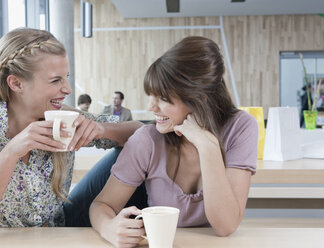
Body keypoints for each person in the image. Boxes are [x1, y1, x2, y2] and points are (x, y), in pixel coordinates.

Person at [0, 27, 143, 240]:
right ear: (16, 83)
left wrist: (102, 129)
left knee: (136, 149)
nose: (67, 89)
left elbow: (141, 133)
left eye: (66, 78)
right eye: (56, 80)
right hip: (1, 239)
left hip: (60, 227)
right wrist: (11, 152)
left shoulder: (64, 117)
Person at [90, 36, 258, 247]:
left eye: (163, 98)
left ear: (199, 99)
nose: (151, 107)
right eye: (151, 96)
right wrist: (109, 227)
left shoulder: (240, 127)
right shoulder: (147, 140)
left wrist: (207, 146)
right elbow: (101, 205)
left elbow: (225, 226)